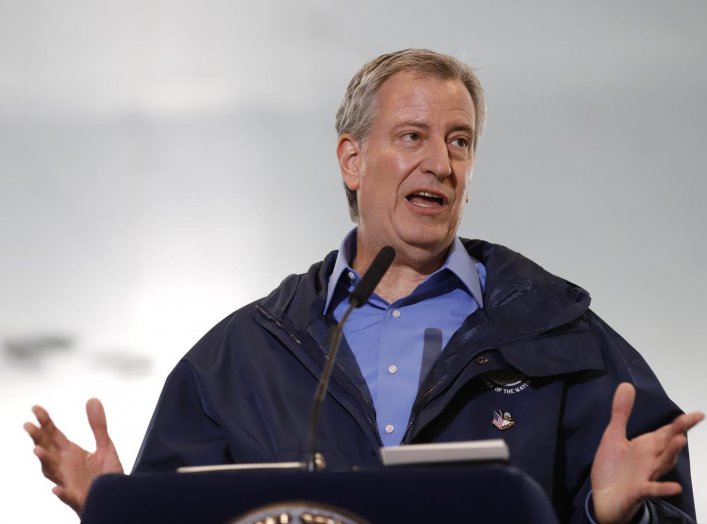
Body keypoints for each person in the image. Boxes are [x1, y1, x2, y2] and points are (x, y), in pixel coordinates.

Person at [25, 49, 703, 523]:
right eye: (412, 136)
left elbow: (663, 509)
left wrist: (613, 515)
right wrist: (117, 511)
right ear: (352, 159)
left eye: (459, 141)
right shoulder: (237, 362)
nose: (440, 163)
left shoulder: (566, 344)